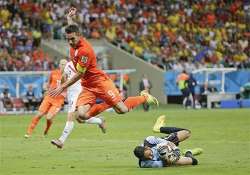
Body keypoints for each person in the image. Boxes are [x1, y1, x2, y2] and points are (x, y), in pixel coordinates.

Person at [49, 8, 159, 125]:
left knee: (122, 110)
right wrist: (69, 19)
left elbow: (80, 74)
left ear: (79, 36)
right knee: (81, 116)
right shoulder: (74, 41)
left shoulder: (84, 51)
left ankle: (144, 97)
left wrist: (62, 87)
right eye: (68, 39)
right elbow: (72, 29)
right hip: (87, 86)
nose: (70, 42)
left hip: (100, 83)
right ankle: (109, 103)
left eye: (72, 39)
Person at [51, 60, 106, 149]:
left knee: (71, 116)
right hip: (71, 94)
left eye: (63, 64)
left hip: (79, 93)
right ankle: (99, 121)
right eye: (61, 64)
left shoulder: (82, 64)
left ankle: (61, 140)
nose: (62, 66)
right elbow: (63, 80)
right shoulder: (69, 65)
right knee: (79, 119)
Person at [133, 115, 202, 168]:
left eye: (150, 154)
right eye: (147, 158)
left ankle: (159, 128)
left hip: (167, 143)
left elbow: (168, 143)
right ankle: (189, 152)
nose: (151, 157)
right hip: (167, 158)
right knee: (194, 162)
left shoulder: (149, 140)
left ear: (147, 147)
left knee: (187, 133)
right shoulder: (145, 163)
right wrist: (173, 155)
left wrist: (174, 148)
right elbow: (167, 163)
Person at [24, 59, 67, 138]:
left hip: (58, 100)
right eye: (62, 64)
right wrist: (45, 89)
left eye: (65, 64)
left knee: (49, 117)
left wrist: (65, 95)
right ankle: (28, 132)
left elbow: (69, 88)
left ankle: (47, 130)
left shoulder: (68, 76)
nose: (63, 66)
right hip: (49, 97)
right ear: (59, 65)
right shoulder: (53, 73)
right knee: (39, 115)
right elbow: (48, 83)